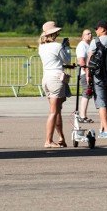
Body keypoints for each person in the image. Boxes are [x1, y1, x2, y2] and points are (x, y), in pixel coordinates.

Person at [39, 20, 71, 148]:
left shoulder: (41, 47)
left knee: (57, 110)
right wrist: (66, 48)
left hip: (46, 78)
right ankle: (48, 140)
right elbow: (67, 60)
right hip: (56, 78)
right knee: (53, 111)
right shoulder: (57, 46)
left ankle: (61, 137)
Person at [88, 20, 107, 138]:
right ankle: (102, 128)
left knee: (101, 103)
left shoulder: (95, 41)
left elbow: (90, 59)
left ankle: (106, 130)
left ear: (102, 29)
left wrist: (88, 74)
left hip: (98, 76)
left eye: (96, 29)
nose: (95, 31)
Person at [74, 29, 94, 124]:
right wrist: (87, 73)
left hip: (88, 72)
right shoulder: (82, 45)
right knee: (87, 92)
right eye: (87, 34)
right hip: (84, 73)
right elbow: (81, 61)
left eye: (90, 33)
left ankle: (83, 115)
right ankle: (82, 116)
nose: (90, 35)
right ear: (83, 36)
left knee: (88, 93)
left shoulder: (89, 45)